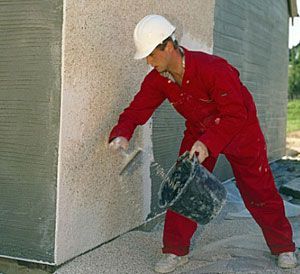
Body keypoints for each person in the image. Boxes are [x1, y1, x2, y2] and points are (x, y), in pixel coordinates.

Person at [108, 14, 297, 273]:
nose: (149, 62)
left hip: (240, 131)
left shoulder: (213, 69)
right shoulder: (159, 79)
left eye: (152, 55)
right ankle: (175, 251)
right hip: (198, 133)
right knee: (184, 187)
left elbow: (235, 113)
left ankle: (283, 246)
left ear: (169, 46)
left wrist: (209, 142)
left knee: (259, 191)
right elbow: (137, 109)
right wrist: (122, 132)